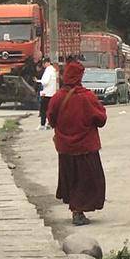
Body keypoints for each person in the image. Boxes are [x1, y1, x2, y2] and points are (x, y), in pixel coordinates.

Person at [47, 59, 107, 227]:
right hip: (86, 147)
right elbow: (101, 119)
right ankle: (78, 211)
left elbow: (51, 119)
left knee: (71, 178)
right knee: (86, 180)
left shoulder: (58, 97)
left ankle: (76, 209)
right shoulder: (87, 97)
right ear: (80, 77)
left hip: (65, 148)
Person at [37, 56, 57, 130]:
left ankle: (42, 124)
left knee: (43, 110)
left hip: (46, 93)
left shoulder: (48, 70)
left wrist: (39, 81)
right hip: (52, 93)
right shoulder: (53, 70)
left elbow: (45, 82)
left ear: (48, 62)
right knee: (50, 109)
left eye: (44, 63)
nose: (43, 65)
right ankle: (50, 123)